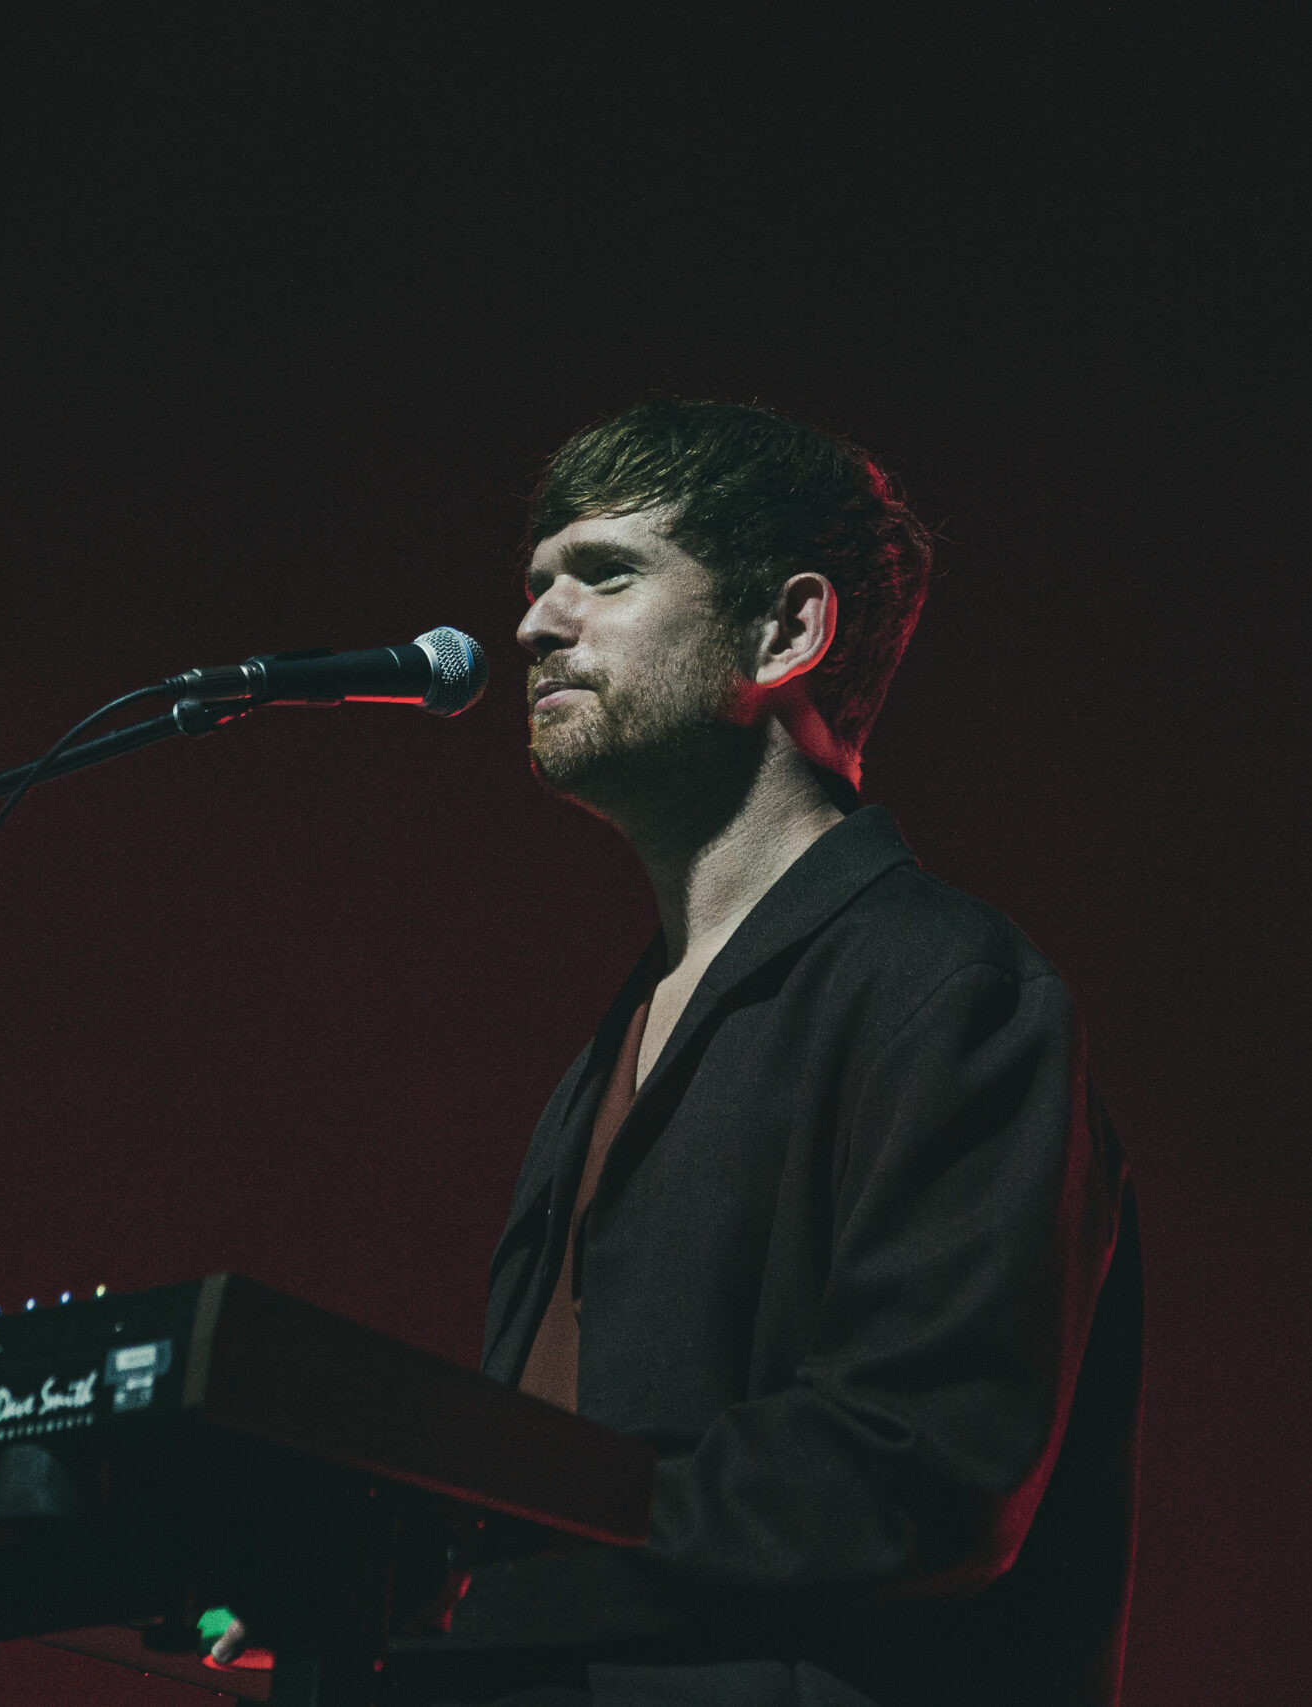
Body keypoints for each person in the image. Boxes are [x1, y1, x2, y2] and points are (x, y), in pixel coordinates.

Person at [379, 399, 1144, 1707]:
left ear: (788, 629)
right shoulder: (610, 1047)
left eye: (604, 572)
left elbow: (915, 1472)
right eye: (533, 585)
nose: (531, 624)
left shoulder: (946, 989)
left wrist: (475, 1574)